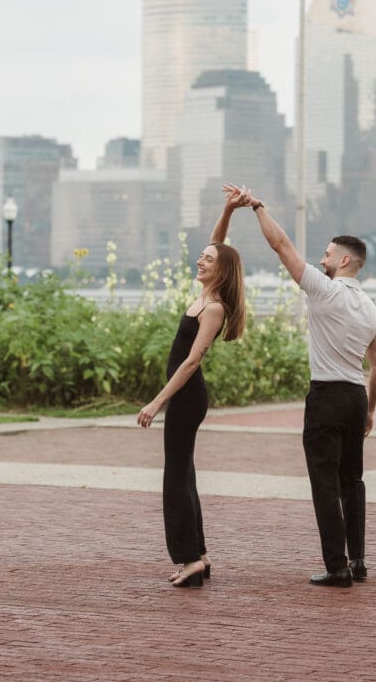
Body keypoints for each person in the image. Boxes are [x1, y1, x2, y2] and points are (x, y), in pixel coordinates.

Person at [225, 184, 376, 588]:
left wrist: (258, 206)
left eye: (327, 254)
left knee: (325, 484)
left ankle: (337, 567)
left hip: (327, 397)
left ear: (344, 260)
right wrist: (369, 411)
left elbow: (281, 245)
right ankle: (358, 561)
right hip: (355, 397)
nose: (321, 259)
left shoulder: (324, 289)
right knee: (352, 481)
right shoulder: (372, 310)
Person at [137, 191, 246, 588]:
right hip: (184, 397)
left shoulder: (213, 307)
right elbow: (219, 244)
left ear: (221, 271)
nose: (200, 260)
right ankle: (199, 553)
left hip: (187, 396)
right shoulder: (205, 294)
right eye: (201, 256)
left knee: (175, 478)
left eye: (207, 259)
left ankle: (189, 559)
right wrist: (228, 210)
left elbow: (191, 362)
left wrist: (157, 401)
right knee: (184, 473)